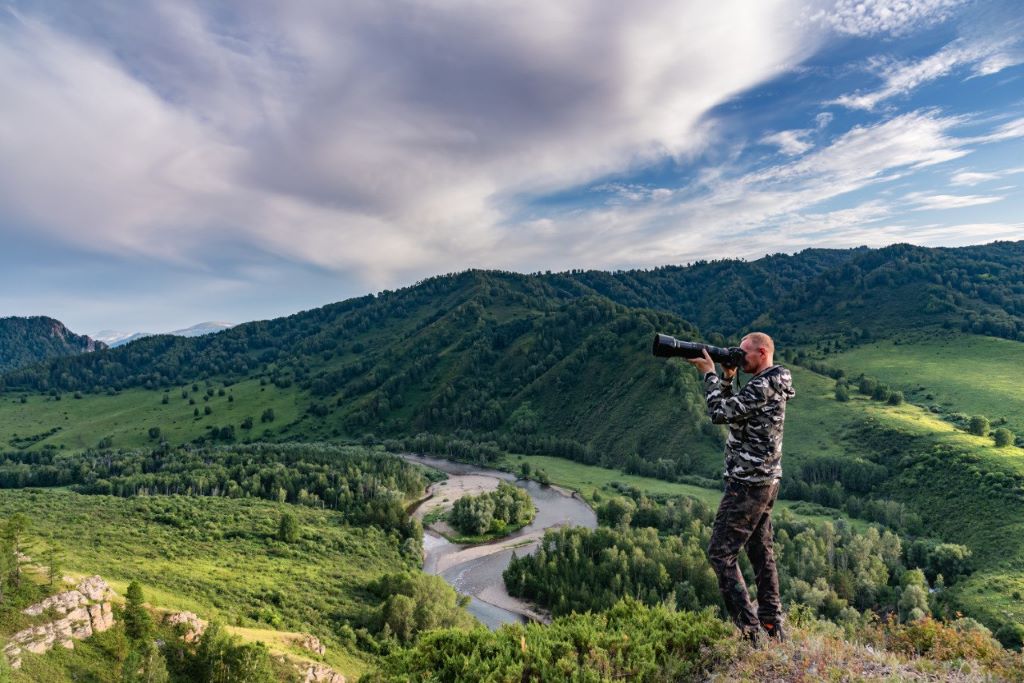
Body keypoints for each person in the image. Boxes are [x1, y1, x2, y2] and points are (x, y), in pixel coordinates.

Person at [687, 332, 795, 645]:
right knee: (761, 553)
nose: (738, 356)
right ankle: (772, 627)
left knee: (720, 554)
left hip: (748, 484)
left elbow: (719, 413)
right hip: (765, 480)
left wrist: (708, 374)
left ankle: (751, 636)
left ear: (762, 353)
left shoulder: (762, 385)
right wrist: (727, 379)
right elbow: (733, 411)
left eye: (744, 353)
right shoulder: (770, 382)